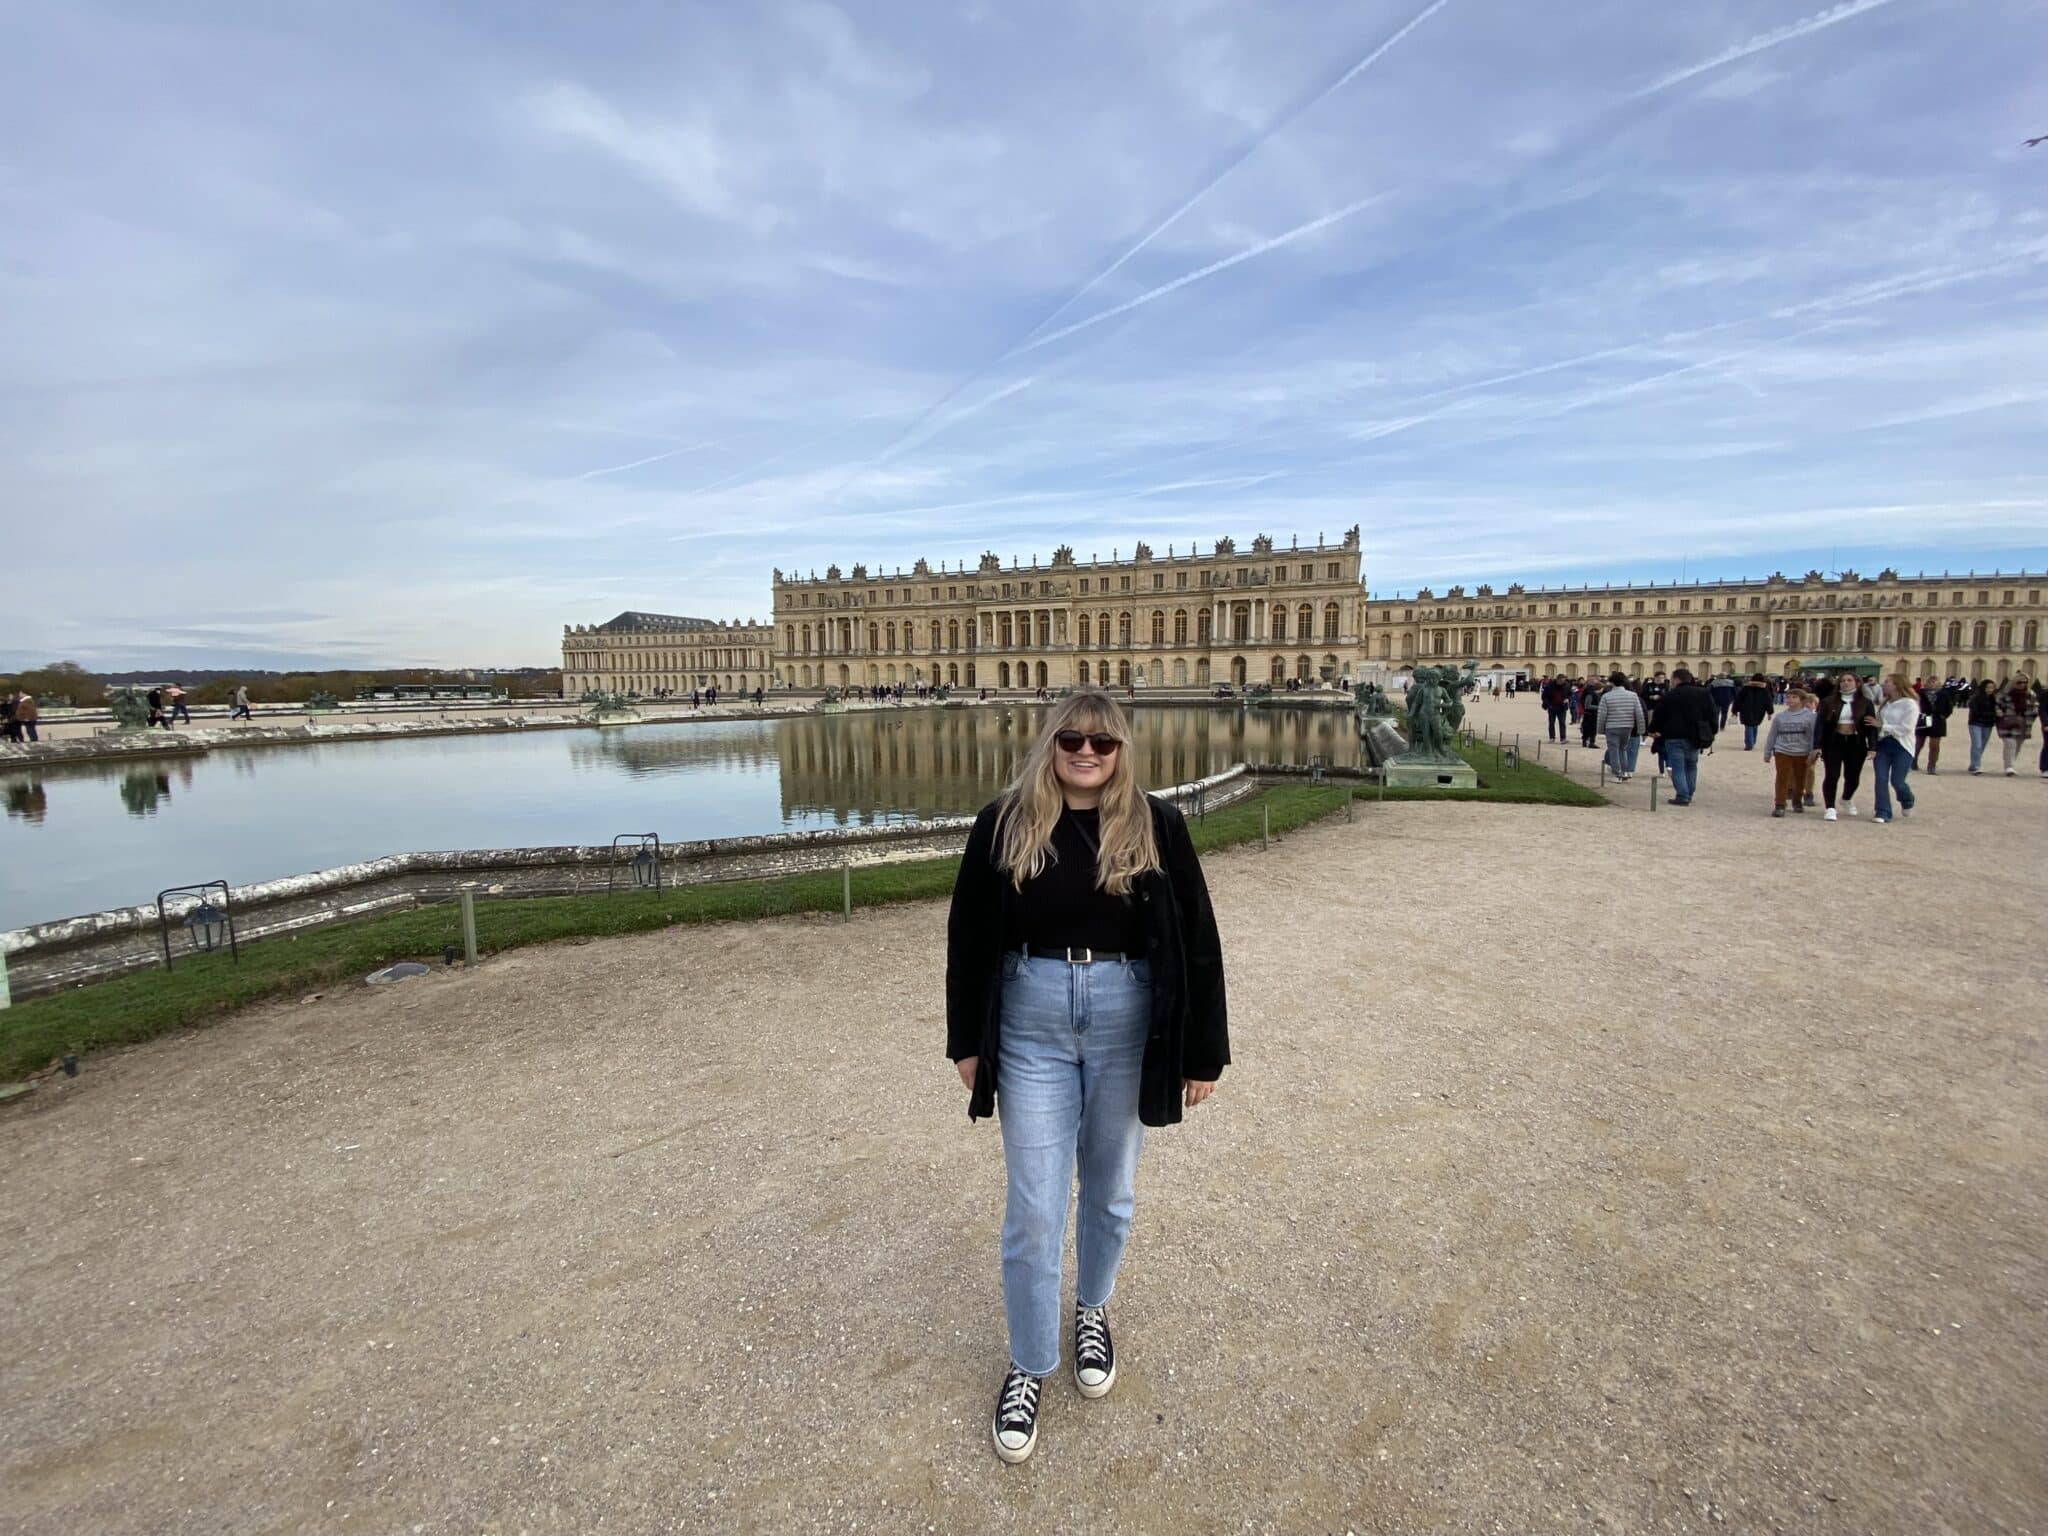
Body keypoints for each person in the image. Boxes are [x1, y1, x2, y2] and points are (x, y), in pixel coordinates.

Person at [945, 690, 1227, 1465]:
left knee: (1110, 1188)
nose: (1086, 752)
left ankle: (1093, 1308)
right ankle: (1031, 1361)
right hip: (1030, 1018)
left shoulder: (1158, 825)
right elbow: (967, 934)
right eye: (1072, 738)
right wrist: (966, 1040)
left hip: (1126, 1018)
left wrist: (1204, 1050)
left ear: (1120, 749)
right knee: (1033, 1206)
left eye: (1102, 742)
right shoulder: (1004, 823)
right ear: (1051, 743)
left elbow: (1198, 939)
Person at [1648, 667, 1716, 806]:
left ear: (1677, 679)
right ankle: (1689, 793)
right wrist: (1712, 731)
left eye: (1672, 679)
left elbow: (1659, 715)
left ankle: (1683, 795)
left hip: (1674, 735)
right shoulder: (1703, 693)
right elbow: (1712, 714)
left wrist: (1653, 729)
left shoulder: (1670, 695)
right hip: (1695, 735)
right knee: (1691, 765)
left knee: (1678, 766)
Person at [1819, 670, 1876, 821]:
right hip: (1834, 741)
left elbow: (1871, 726)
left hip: (1855, 743)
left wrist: (1873, 746)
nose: (1845, 683)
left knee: (1852, 776)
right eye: (1843, 680)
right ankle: (1830, 807)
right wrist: (1817, 745)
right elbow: (1820, 726)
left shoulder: (1865, 703)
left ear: (1857, 683)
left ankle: (1846, 798)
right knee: (1832, 775)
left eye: (1849, 680)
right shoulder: (1828, 701)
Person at [1871, 675, 1919, 824]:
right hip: (1884, 744)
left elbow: (1907, 728)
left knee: (1897, 781)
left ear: (1897, 685)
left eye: (1887, 682)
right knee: (1881, 779)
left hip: (1902, 746)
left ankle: (1907, 799)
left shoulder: (1910, 704)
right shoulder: (1886, 703)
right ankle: (1882, 811)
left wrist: (1882, 726)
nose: (1883, 684)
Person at [1763, 689, 1818, 816]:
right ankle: (1780, 804)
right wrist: (1768, 751)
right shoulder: (1780, 717)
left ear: (1802, 700)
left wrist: (1812, 752)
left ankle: (1797, 800)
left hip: (1802, 751)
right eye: (1788, 697)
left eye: (1794, 697)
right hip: (1782, 750)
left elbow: (1812, 736)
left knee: (1800, 778)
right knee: (1782, 777)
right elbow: (1772, 735)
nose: (1790, 699)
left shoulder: (1810, 717)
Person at [1596, 671, 1646, 781]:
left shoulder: (1606, 696)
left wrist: (1600, 729)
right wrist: (1641, 729)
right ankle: (1624, 771)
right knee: (1622, 750)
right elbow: (1639, 713)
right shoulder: (1633, 696)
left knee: (1614, 750)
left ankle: (1617, 774)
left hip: (1612, 726)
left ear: (1612, 682)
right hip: (1627, 726)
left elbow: (1602, 715)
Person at [1995, 674, 2038, 776]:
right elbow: (1997, 705)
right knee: (2010, 744)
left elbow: (2035, 707)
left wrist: (2032, 715)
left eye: (2025, 682)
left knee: (2018, 745)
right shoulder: (2005, 694)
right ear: (2014, 682)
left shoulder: (2031, 694)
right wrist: (1999, 713)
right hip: (2008, 721)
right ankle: (2009, 767)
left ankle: (2010, 764)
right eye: (2019, 682)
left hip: (2023, 722)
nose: (2022, 685)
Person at [1915, 678, 1952, 774]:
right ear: (1926, 683)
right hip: (1924, 719)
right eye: (1930, 682)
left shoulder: (1944, 694)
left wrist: (1943, 715)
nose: (1932, 684)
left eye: (1934, 682)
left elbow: (1949, 707)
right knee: (1919, 743)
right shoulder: (1920, 693)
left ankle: (1932, 765)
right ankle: (1913, 760)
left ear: (1939, 684)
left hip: (1937, 720)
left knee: (1934, 745)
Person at [1734, 672, 1774, 750]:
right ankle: (1752, 742)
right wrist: (1770, 712)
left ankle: (1749, 744)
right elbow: (1768, 701)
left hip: (1746, 709)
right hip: (1759, 710)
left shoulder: (1746, 688)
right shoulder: (1764, 689)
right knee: (1755, 725)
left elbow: (1739, 699)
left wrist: (1735, 710)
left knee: (1748, 726)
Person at [1541, 676, 1569, 742]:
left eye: (1563, 681)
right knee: (1551, 723)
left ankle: (1563, 738)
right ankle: (1552, 737)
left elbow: (1570, 694)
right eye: (1561, 681)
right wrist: (1548, 705)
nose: (1562, 682)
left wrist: (1567, 699)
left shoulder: (1566, 686)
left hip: (1562, 707)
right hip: (1552, 707)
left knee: (1562, 723)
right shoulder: (1550, 686)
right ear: (1557, 680)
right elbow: (1544, 697)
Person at [1578, 677, 1602, 749]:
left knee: (1590, 728)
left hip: (1591, 713)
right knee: (1590, 728)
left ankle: (1587, 741)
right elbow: (1587, 705)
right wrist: (1598, 707)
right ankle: (1590, 742)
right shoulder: (1591, 693)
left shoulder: (1593, 693)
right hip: (1590, 713)